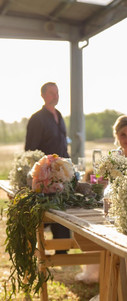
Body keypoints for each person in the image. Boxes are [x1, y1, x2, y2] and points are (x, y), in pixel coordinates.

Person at [25, 82, 70, 253]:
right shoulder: (37, 119)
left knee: (63, 211)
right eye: (52, 93)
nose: (56, 96)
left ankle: (62, 251)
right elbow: (30, 150)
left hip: (61, 175)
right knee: (45, 215)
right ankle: (34, 251)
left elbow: (63, 145)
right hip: (44, 177)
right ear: (43, 95)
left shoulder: (59, 116)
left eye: (57, 93)